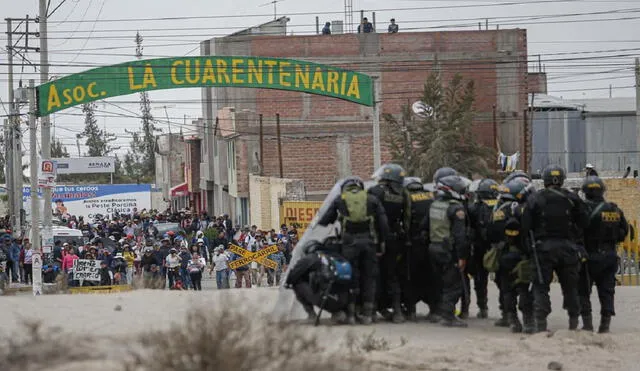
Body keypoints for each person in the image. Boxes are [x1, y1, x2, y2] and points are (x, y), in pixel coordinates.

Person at [521, 164, 589, 332]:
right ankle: (573, 322)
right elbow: (584, 222)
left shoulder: (535, 198)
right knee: (570, 286)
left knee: (541, 286)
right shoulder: (572, 198)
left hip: (543, 249)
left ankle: (541, 324)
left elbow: (525, 226)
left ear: (544, 180)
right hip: (568, 248)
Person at [318, 177, 389, 325]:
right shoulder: (372, 199)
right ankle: (368, 314)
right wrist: (382, 242)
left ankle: (351, 314)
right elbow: (383, 224)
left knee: (350, 277)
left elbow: (325, 221)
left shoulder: (340, 199)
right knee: (369, 277)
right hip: (369, 243)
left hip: (349, 244)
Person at [579, 176, 628, 333]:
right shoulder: (614, 209)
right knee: (607, 290)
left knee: (583, 290)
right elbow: (624, 232)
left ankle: (587, 324)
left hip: (588, 255)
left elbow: (575, 230)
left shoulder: (582, 209)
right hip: (609, 256)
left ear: (585, 191)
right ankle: (605, 324)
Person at [487, 177, 536, 333]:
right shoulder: (522, 210)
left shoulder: (497, 211)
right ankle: (528, 321)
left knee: (507, 290)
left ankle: (513, 321)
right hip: (521, 256)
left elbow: (490, 234)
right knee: (523, 288)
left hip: (502, 256)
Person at [424, 173, 471, 327]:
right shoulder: (455, 208)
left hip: (433, 248)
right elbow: (460, 236)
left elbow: (424, 227)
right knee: (453, 285)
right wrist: (462, 256)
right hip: (448, 252)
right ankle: (448, 315)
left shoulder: (434, 204)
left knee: (439, 282)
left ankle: (437, 312)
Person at [368, 164, 406, 323]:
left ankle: (372, 310)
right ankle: (397, 311)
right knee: (392, 275)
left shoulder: (375, 192)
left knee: (373, 275)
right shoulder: (403, 194)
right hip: (394, 239)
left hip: (376, 239)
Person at [285, 240, 351, 325]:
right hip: (345, 300)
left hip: (325, 299)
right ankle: (341, 313)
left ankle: (312, 315)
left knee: (297, 283)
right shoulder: (336, 256)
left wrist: (288, 283)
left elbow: (293, 275)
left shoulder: (311, 258)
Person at [401, 177, 434, 322]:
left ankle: (411, 311)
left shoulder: (407, 197)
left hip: (413, 243)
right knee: (431, 276)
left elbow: (406, 219)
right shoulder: (430, 195)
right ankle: (434, 309)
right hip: (430, 242)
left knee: (411, 277)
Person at [465, 178, 499, 319]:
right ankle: (508, 312)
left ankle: (483, 307)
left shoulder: (474, 208)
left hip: (480, 248)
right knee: (503, 281)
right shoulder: (501, 205)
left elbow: (469, 228)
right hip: (498, 248)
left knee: (480, 279)